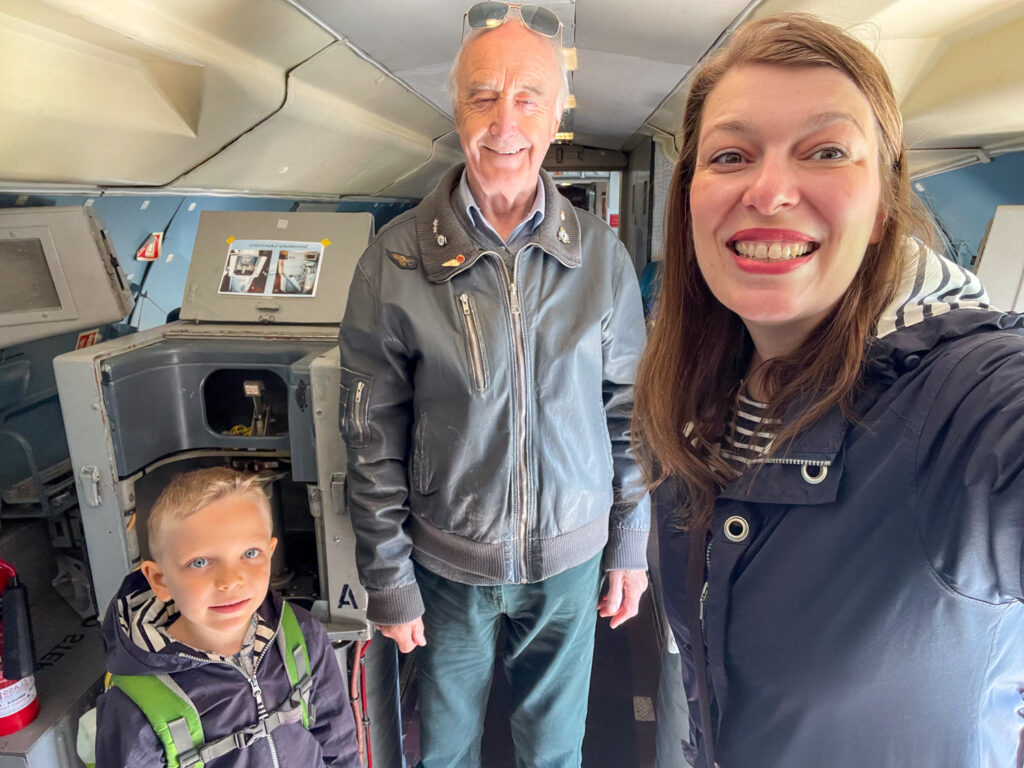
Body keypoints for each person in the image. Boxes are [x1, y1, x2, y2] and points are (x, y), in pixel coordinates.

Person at [634, 13, 1024, 768]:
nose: (770, 191)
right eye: (731, 155)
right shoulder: (694, 395)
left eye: (826, 151)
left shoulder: (968, 402)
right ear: (691, 199)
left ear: (883, 206)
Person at [337, 3, 650, 765]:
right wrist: (387, 577)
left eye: (527, 98)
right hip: (447, 565)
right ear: (456, 110)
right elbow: (370, 433)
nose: (504, 122)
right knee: (444, 750)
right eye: (483, 96)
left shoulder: (600, 259)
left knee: (555, 751)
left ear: (556, 118)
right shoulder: (394, 259)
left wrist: (630, 543)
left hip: (571, 560)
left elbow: (630, 414)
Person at [94, 468, 360, 768]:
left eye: (250, 553)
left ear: (270, 553)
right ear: (160, 580)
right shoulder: (135, 701)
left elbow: (337, 739)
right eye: (200, 562)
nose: (231, 580)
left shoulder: (300, 633)